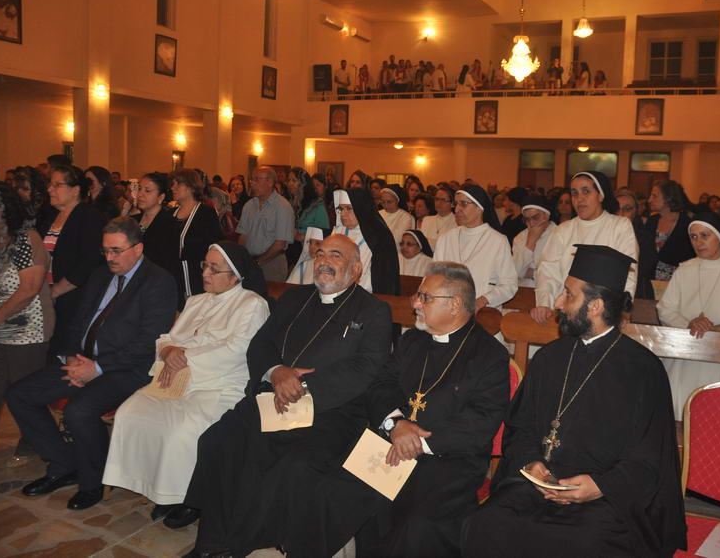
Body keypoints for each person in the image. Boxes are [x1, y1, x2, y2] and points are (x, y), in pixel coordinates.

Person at [464, 245, 686, 558]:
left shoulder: (643, 370)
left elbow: (651, 456)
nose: (557, 303)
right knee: (487, 524)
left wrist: (601, 486)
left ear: (595, 306)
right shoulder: (549, 359)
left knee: (582, 543)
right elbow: (520, 426)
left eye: (568, 294)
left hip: (604, 499)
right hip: (536, 486)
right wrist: (531, 462)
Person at [178, 234, 393, 556]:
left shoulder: (374, 311)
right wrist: (276, 372)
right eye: (320, 254)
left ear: (356, 269)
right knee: (218, 441)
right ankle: (212, 542)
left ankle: (245, 542)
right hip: (273, 397)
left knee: (291, 464)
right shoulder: (295, 297)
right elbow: (261, 343)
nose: (323, 261)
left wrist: (301, 388)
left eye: (335, 256)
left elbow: (365, 368)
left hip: (331, 411)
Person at [294, 262, 509, 557]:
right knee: (329, 491)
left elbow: (481, 421)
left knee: (418, 527)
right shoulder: (412, 340)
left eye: (425, 297)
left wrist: (417, 442)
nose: (415, 303)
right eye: (418, 296)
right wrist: (396, 424)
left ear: (455, 304)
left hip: (448, 460)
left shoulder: (490, 355)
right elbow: (380, 384)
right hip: (390, 442)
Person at [6, 217, 177, 510]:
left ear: (138, 248)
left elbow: (148, 343)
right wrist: (73, 357)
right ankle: (64, 464)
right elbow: (79, 321)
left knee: (79, 410)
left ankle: (92, 481)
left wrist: (96, 368)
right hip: (84, 360)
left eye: (116, 251)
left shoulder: (159, 281)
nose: (109, 257)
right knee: (19, 395)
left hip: (129, 370)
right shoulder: (100, 275)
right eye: (105, 250)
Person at [103, 243, 270, 521]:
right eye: (205, 265)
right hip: (177, 378)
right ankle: (155, 486)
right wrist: (169, 351)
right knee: (130, 413)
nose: (205, 273)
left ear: (235, 276)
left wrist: (183, 358)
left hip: (220, 386)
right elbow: (168, 338)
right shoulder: (195, 301)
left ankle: (184, 497)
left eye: (214, 269)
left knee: (181, 431)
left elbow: (238, 350)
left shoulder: (252, 305)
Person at [0, 181, 53, 458]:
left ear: (1, 209)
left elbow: (29, 289)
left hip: (26, 328)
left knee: (25, 391)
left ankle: (36, 444)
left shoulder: (26, 239)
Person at [656, 213, 720, 417]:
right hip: (685, 352)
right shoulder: (684, 270)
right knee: (679, 410)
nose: (698, 242)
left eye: (705, 235)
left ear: (719, 237)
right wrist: (689, 324)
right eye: (694, 237)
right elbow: (665, 309)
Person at [532, 172, 638, 325]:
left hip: (603, 317)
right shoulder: (563, 230)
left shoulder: (620, 226)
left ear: (600, 195)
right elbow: (547, 271)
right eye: (574, 193)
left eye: (586, 191)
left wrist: (620, 313)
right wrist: (544, 303)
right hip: (566, 313)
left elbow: (628, 275)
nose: (579, 199)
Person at [38, 165, 106, 352]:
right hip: (47, 295)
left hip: (74, 298)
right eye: (50, 184)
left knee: (64, 350)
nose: (50, 189)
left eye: (57, 185)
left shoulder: (90, 217)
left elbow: (89, 262)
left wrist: (55, 291)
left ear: (75, 190)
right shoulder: (50, 216)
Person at [433, 185, 517, 312]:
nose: (457, 209)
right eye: (456, 204)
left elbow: (509, 284)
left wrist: (483, 300)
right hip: (448, 311)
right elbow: (433, 277)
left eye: (463, 204)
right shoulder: (446, 238)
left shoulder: (498, 241)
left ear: (479, 208)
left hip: (482, 314)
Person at [331, 188, 399, 295]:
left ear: (361, 208)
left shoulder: (379, 235)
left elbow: (383, 278)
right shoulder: (337, 232)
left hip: (366, 294)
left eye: (348, 208)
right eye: (341, 208)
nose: (342, 214)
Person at [171, 169, 222, 308]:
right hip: (174, 279)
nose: (173, 188)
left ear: (191, 187)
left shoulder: (205, 213)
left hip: (195, 278)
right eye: (172, 184)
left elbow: (214, 246)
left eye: (177, 184)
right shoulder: (171, 214)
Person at [237, 166, 295, 282]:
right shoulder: (249, 205)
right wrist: (241, 258)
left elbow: (280, 244)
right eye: (252, 179)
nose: (252, 183)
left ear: (270, 182)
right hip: (250, 262)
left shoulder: (282, 207)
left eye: (257, 179)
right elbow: (243, 236)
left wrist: (258, 262)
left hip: (272, 263)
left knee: (270, 293)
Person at [132, 172, 180, 284]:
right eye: (140, 189)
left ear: (161, 197)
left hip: (156, 281)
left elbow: (168, 262)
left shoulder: (169, 223)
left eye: (147, 191)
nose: (140, 194)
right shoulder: (133, 220)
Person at [644, 180, 695, 281]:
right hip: (650, 281)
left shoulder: (686, 224)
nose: (649, 200)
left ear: (668, 197)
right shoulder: (651, 221)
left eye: (654, 196)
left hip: (678, 281)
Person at [617, 191, 658, 300]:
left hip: (637, 294)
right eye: (617, 209)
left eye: (627, 209)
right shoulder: (604, 235)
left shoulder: (645, 238)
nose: (621, 213)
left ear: (635, 212)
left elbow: (642, 271)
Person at [286, 167, 330, 267]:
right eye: (289, 180)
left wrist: (302, 235)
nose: (290, 184)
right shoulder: (288, 203)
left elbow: (324, 232)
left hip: (308, 250)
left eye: (294, 180)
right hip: (290, 247)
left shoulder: (316, 204)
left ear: (303, 183)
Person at [512, 195, 554, 289]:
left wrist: (532, 273)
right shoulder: (520, 238)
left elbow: (555, 272)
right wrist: (530, 243)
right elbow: (515, 272)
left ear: (546, 216)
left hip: (549, 291)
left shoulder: (559, 234)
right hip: (523, 290)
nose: (531, 223)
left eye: (535, 217)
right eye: (527, 219)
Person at [379, 184, 415, 248]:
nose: (386, 205)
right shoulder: (379, 214)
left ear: (397, 201)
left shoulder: (406, 217)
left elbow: (398, 239)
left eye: (389, 202)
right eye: (383, 202)